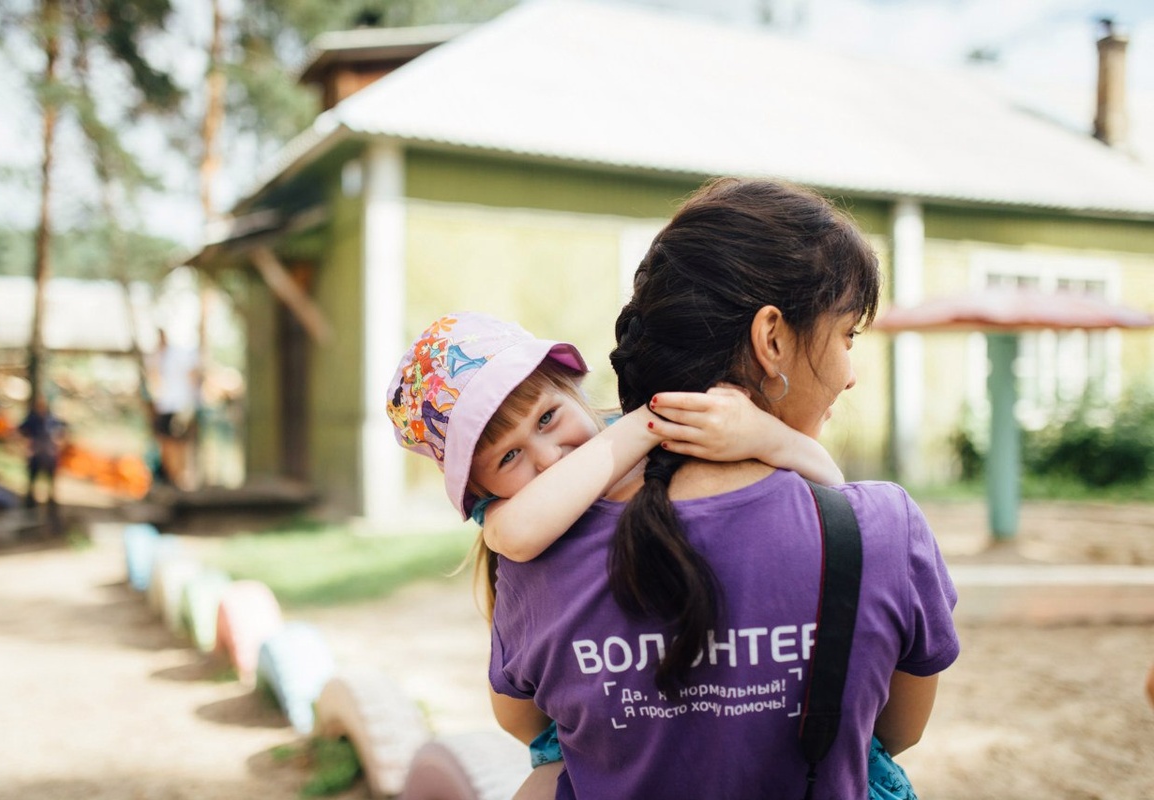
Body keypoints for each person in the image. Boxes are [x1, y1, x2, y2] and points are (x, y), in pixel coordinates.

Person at [488, 178, 960, 799]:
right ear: (772, 339)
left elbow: (532, 729)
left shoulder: (539, 554)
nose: (850, 373)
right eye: (847, 335)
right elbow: (892, 731)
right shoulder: (882, 529)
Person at [385, 311, 848, 795]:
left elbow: (832, 484)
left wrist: (765, 435)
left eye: (547, 417)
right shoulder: (517, 512)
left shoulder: (635, 438)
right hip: (588, 738)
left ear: (572, 386)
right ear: (482, 491)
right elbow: (517, 538)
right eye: (508, 457)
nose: (548, 457)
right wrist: (648, 424)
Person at [148, 329, 199, 490]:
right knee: (167, 443)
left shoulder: (179, 354)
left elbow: (192, 377)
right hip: (166, 406)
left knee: (178, 444)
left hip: (178, 406)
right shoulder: (157, 356)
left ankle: (179, 478)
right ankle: (172, 477)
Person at [16, 393, 67, 510]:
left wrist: (58, 445)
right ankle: (30, 502)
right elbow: (19, 432)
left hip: (49, 455)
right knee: (32, 480)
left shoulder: (53, 420)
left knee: (51, 481)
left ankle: (51, 502)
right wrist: (26, 446)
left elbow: (62, 433)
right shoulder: (32, 420)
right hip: (36, 455)